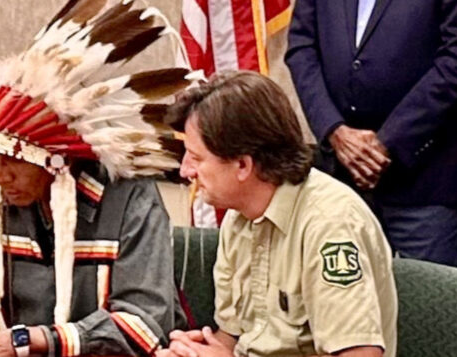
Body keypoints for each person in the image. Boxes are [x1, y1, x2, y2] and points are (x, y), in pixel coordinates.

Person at [0, 1, 203, 356]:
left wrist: (24, 340)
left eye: (13, 162)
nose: (0, 175)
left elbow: (145, 324)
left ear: (59, 162)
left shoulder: (130, 200)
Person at [159, 71, 397, 357]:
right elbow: (233, 339)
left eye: (196, 158)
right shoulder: (239, 215)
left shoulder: (330, 224)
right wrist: (194, 352)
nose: (185, 171)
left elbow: (360, 355)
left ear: (243, 165)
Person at [285, 0, 457, 268]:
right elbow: (301, 46)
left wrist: (386, 142)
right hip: (342, 180)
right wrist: (334, 129)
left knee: (433, 302)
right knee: (349, 301)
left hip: (426, 184)